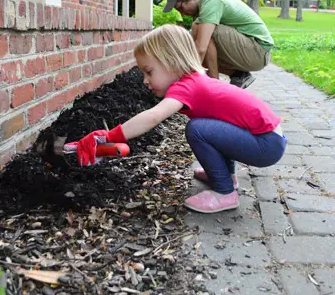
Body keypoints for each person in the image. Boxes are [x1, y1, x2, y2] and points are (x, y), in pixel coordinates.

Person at [65, 25, 286, 214]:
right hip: (270, 138)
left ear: (171, 63)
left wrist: (109, 135)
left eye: (149, 72)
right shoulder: (196, 81)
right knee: (209, 127)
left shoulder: (187, 86)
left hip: (265, 144)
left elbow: (152, 117)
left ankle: (225, 192)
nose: (145, 80)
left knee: (197, 129)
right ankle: (227, 177)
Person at [163, 0, 274, 89]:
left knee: (201, 32)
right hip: (251, 50)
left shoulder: (211, 3)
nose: (182, 14)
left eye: (180, 8)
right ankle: (238, 75)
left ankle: (213, 87)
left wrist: (186, 80)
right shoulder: (203, 7)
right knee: (193, 40)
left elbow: (201, 49)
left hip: (259, 50)